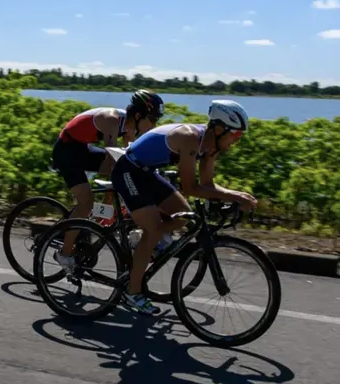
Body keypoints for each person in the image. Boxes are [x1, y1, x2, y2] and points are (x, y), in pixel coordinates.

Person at [109, 99, 257, 316]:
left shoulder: (211, 148)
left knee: (184, 216)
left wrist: (234, 195)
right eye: (235, 135)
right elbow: (190, 187)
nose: (236, 141)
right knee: (154, 230)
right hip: (128, 171)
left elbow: (208, 185)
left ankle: (142, 243)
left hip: (147, 173)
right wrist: (235, 197)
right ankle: (133, 292)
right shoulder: (190, 139)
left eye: (240, 136)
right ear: (218, 128)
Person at [51, 90, 163, 268]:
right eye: (153, 119)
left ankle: (99, 217)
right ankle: (64, 253)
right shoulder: (112, 119)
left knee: (119, 178)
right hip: (66, 151)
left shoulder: (130, 127)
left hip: (81, 149)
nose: (154, 125)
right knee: (86, 202)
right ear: (139, 115)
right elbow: (112, 156)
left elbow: (131, 156)